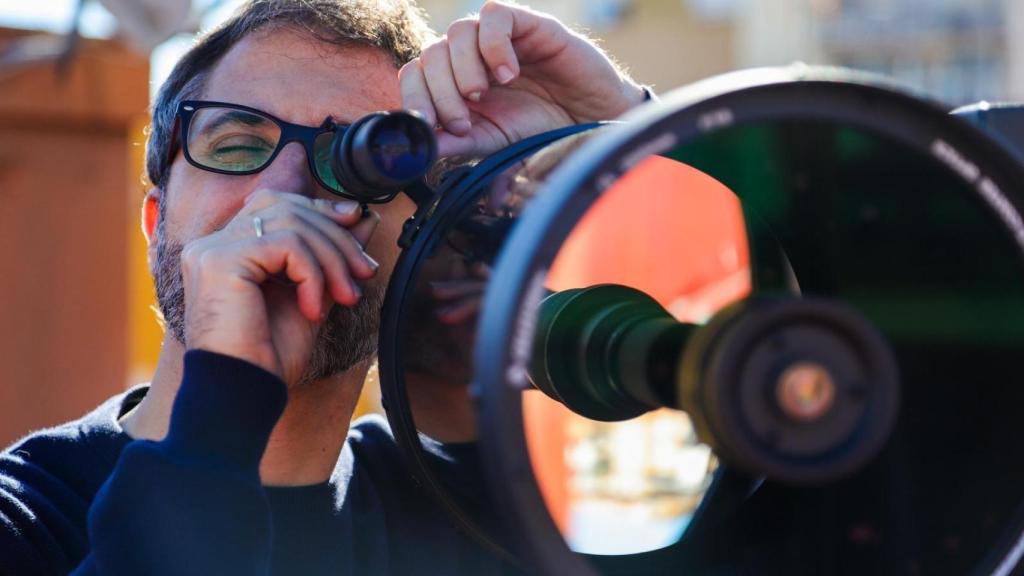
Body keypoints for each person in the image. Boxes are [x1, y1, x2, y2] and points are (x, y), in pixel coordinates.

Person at [0, 0, 649, 574]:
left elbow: (747, 488)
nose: (285, 193)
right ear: (156, 222)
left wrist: (622, 132)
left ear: (426, 240)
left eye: (361, 161)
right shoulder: (26, 518)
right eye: (234, 147)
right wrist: (224, 404)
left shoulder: (464, 519)